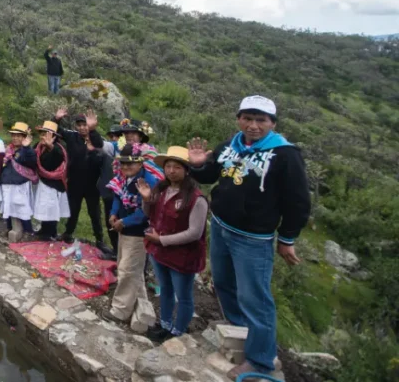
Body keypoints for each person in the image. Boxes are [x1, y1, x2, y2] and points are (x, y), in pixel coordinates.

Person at [186, 96, 310, 378]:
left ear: (272, 123)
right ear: (239, 119)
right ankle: (239, 329)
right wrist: (196, 165)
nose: (253, 126)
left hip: (253, 239)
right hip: (220, 227)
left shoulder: (285, 154)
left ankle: (261, 360)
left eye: (261, 120)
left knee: (256, 298)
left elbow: (298, 201)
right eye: (247, 118)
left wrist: (287, 238)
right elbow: (210, 176)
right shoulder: (231, 144)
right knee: (224, 283)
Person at [136, 146, 209, 342]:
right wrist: (146, 200)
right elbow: (148, 214)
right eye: (168, 166)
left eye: (177, 167)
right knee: (165, 289)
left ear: (186, 170)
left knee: (183, 295)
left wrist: (162, 240)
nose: (171, 171)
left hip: (182, 255)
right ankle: (166, 324)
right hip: (159, 252)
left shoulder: (196, 198)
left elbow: (194, 233)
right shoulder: (161, 189)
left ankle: (178, 331)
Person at [102, 144, 160, 325]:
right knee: (127, 266)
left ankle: (120, 311)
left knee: (127, 269)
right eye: (124, 163)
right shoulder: (124, 178)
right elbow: (119, 197)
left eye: (131, 164)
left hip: (139, 233)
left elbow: (146, 212)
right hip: (125, 230)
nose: (126, 167)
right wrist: (113, 213)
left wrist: (124, 222)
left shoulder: (148, 182)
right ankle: (139, 301)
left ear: (141, 163)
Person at [52, 109, 109, 251]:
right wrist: (56, 119)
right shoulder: (72, 137)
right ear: (76, 126)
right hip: (75, 182)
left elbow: (99, 145)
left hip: (92, 184)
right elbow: (55, 130)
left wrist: (93, 130)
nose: (83, 128)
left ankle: (100, 239)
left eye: (85, 125)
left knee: (94, 213)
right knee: (73, 210)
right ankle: (68, 233)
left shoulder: (95, 137)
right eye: (80, 125)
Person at [0, 123, 38, 243]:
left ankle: (28, 231)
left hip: (20, 184)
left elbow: (32, 163)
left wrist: (26, 148)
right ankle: (10, 228)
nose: (15, 138)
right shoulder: (8, 150)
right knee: (9, 207)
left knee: (22, 207)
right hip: (7, 182)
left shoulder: (27, 151)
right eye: (13, 135)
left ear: (24, 137)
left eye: (19, 136)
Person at [34, 120, 71, 241]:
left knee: (51, 208)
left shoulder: (60, 149)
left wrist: (51, 147)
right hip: (43, 182)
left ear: (54, 137)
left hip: (54, 184)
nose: (44, 136)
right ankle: (44, 229)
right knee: (44, 207)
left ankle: (51, 232)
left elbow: (58, 159)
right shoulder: (39, 147)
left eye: (48, 134)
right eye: (43, 133)